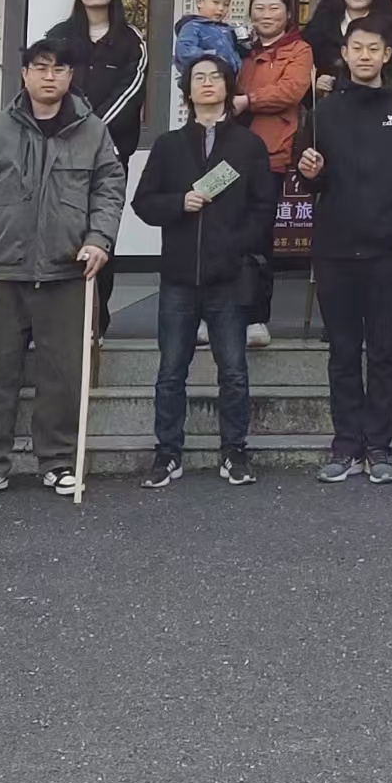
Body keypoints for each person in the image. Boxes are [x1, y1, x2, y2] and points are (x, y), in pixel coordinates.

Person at [0, 31, 125, 502]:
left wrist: (99, 240)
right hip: (2, 270)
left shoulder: (93, 132)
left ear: (71, 75)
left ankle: (58, 462)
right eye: (41, 68)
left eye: (60, 69)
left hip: (67, 271)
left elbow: (109, 190)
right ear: (25, 74)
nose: (50, 77)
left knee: (63, 374)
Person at [131, 54, 276, 488]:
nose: (207, 83)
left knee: (233, 370)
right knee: (171, 371)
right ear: (188, 90)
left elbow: (263, 208)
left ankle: (234, 451)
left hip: (228, 276)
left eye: (216, 77)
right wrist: (179, 203)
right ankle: (167, 453)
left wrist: (236, 244)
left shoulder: (248, 145)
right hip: (178, 276)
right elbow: (143, 203)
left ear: (228, 87)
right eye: (199, 78)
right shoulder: (169, 144)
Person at [297, 22, 392, 483]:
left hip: (388, 250)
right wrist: (309, 170)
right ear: (346, 53)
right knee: (342, 351)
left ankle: (379, 446)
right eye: (357, 48)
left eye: (373, 48)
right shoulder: (324, 111)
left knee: (384, 352)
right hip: (334, 248)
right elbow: (308, 177)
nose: (365, 56)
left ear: (387, 55)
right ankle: (346, 445)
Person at [56, 0, 147, 336]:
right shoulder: (59, 36)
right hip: (60, 155)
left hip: (110, 157)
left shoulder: (131, 40)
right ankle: (61, 322)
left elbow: (132, 92)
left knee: (101, 235)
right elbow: (47, 87)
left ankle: (97, 324)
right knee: (60, 234)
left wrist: (90, 130)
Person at [233, 0, 314, 345]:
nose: (266, 14)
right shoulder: (239, 47)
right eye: (259, 7)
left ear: (288, 12)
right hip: (227, 152)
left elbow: (291, 90)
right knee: (222, 228)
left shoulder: (299, 49)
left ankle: (255, 318)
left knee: (258, 236)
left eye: (274, 7)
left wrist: (246, 100)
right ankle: (216, 313)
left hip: (270, 154)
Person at [173, 0, 248, 86]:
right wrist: (213, 56)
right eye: (216, 2)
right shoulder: (192, 27)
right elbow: (185, 52)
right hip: (204, 84)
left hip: (228, 85)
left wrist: (244, 42)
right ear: (199, 2)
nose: (221, 8)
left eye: (226, 5)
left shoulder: (227, 30)